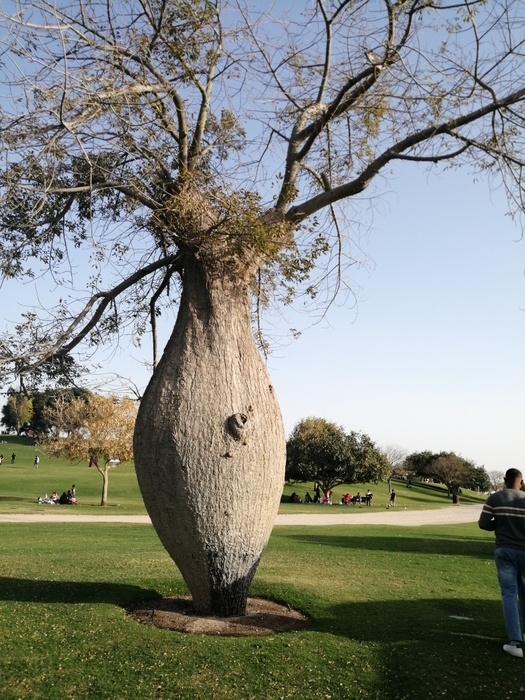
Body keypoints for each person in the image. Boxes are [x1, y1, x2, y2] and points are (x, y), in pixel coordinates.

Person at [479, 468, 525, 658]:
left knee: (509, 594)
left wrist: (498, 524)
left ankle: (515, 642)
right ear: (521, 482)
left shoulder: (494, 498)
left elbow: (483, 523)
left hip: (504, 549)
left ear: (505, 480)